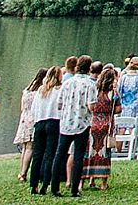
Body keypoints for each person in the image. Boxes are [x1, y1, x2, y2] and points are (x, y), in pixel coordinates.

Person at [56, 56, 96, 195]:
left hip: (66, 122)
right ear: (89, 68)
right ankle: (74, 189)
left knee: (60, 154)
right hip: (82, 124)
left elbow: (59, 104)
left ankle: (55, 187)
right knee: (78, 156)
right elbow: (91, 106)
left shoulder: (68, 82)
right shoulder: (90, 84)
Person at [27, 65, 64, 195]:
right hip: (53, 122)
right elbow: (61, 108)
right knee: (49, 155)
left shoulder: (40, 91)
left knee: (37, 155)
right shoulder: (59, 90)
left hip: (39, 123)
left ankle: (34, 184)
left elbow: (33, 110)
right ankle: (45, 183)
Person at [83, 66, 118, 190]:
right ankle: (103, 183)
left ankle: (87, 180)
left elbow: (89, 106)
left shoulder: (94, 90)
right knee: (104, 153)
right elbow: (118, 109)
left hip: (93, 123)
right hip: (107, 124)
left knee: (90, 152)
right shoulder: (113, 93)